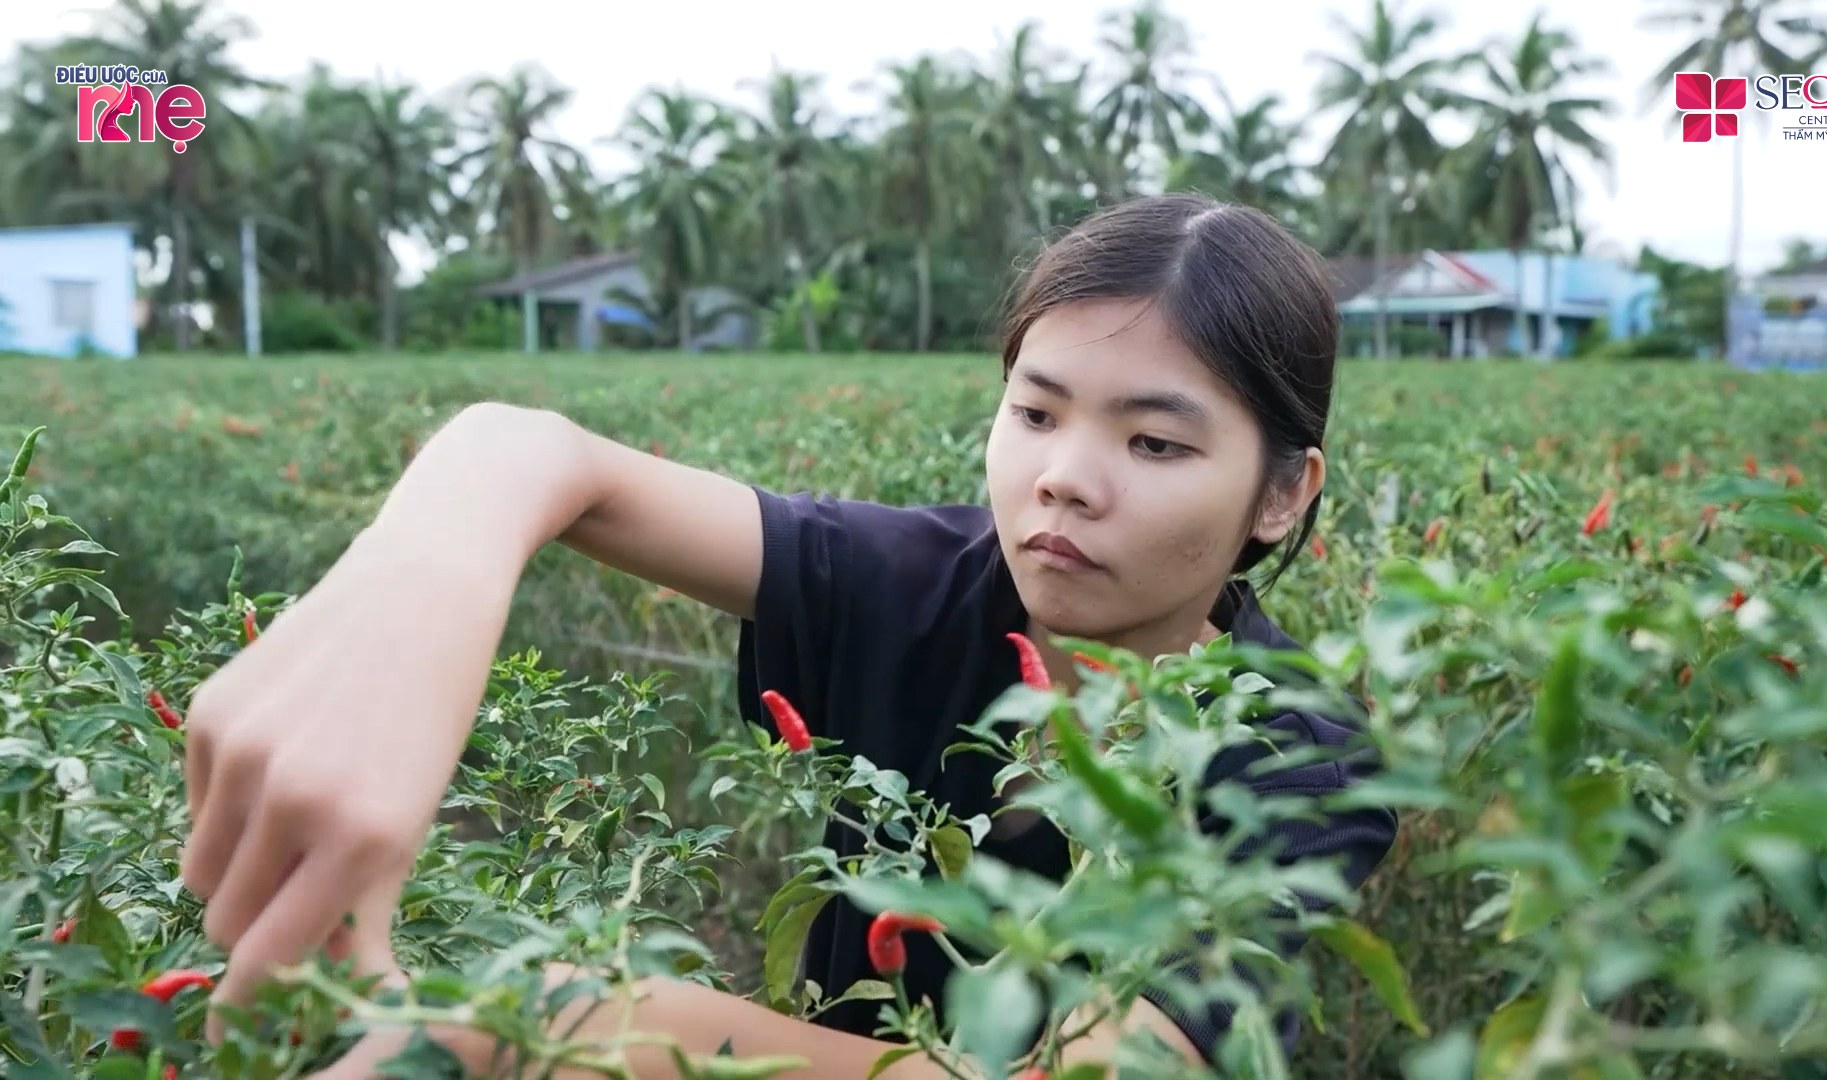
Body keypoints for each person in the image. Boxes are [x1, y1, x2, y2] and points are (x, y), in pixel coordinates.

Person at [177, 192, 1399, 1079]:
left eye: (1156, 444)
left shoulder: (1295, 758)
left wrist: (567, 1021)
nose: (1064, 480)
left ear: (1283, 493)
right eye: (1036, 411)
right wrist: (411, 601)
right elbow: (534, 454)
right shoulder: (923, 583)